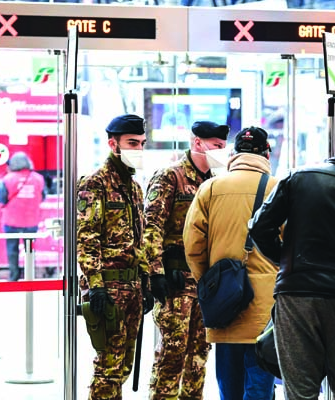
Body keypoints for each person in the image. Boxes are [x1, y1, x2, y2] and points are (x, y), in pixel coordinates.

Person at [248, 129, 335, 400]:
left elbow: (260, 227)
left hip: (295, 294)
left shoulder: (298, 177)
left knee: (300, 389)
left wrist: (285, 260)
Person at [183, 126, 279, 400]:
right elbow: (291, 246)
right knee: (260, 389)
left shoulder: (210, 188)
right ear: (266, 153)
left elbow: (193, 246)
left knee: (229, 388)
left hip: (224, 306)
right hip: (265, 311)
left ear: (234, 154)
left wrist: (211, 282)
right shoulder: (278, 188)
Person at [144, 120, 228, 400]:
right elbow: (151, 225)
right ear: (197, 143)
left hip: (204, 283)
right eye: (216, 146)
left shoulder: (216, 182)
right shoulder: (171, 176)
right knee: (172, 353)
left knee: (199, 357)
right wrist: (155, 272)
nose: (220, 151)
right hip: (175, 281)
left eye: (223, 146)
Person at [76, 114, 154, 400]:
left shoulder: (133, 187)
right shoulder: (94, 183)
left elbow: (139, 238)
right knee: (108, 368)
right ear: (113, 144)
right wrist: (95, 285)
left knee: (123, 367)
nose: (138, 149)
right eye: (132, 143)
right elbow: (86, 238)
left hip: (132, 287)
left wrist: (146, 281)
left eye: (142, 143)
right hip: (108, 289)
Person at [0, 152, 46, 281]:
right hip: (31, 220)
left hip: (11, 221)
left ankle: (14, 277)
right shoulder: (38, 178)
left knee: (12, 250)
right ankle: (30, 275)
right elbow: (43, 196)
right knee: (30, 249)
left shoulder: (7, 179)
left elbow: (1, 198)